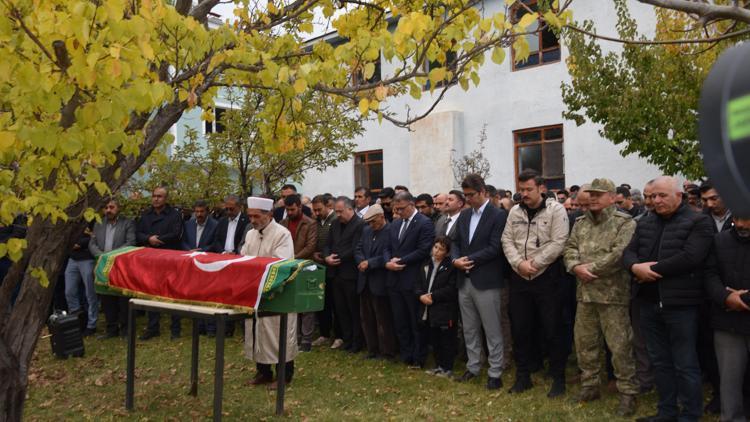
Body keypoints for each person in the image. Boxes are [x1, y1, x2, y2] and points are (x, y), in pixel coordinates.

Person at [623, 176, 714, 422]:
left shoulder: (699, 221)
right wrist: (634, 268)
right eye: (652, 196)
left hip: (682, 304)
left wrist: (651, 270)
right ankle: (667, 412)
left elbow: (691, 257)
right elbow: (629, 252)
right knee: (660, 362)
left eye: (662, 195)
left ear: (679, 196)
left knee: (685, 363)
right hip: (648, 302)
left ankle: (690, 414)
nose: (656, 200)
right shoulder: (646, 222)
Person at [563, 179, 638, 416]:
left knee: (620, 346)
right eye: (591, 194)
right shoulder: (580, 222)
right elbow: (569, 248)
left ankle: (627, 392)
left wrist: (589, 270)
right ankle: (590, 386)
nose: (593, 198)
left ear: (613, 197)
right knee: (585, 344)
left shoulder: (624, 223)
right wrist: (575, 267)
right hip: (585, 295)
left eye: (599, 194)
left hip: (612, 295)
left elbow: (619, 254)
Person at [501, 169, 569, 398]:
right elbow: (506, 240)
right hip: (519, 277)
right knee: (521, 329)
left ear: (541, 188)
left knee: (552, 329)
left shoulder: (556, 210)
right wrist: (518, 263)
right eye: (521, 189)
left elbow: (559, 242)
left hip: (547, 277)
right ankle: (523, 377)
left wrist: (536, 263)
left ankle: (558, 378)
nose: (524, 194)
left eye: (528, 189)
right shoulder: (514, 212)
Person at [451, 173, 508, 390]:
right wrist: (456, 259)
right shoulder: (464, 216)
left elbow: (495, 248)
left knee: (492, 328)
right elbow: (454, 241)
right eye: (464, 195)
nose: (467, 199)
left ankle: (495, 371)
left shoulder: (497, 216)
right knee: (469, 328)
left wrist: (469, 259)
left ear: (483, 192)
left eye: (471, 195)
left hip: (486, 280)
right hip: (464, 280)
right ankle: (473, 366)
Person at [242, 196, 298, 389]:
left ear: (269, 214)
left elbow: (281, 263)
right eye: (250, 216)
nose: (252, 220)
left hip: (277, 292)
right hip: (254, 292)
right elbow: (244, 258)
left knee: (278, 333)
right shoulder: (250, 234)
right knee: (258, 331)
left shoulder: (282, 234)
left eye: (256, 216)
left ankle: (284, 375)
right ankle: (263, 372)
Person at [704, 216, 750, 422]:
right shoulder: (719, 240)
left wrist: (743, 299)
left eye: (747, 219)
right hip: (727, 320)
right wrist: (726, 297)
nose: (741, 224)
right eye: (738, 218)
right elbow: (709, 274)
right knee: (729, 379)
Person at [386, 192, 434, 367]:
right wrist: (387, 262)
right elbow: (387, 247)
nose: (398, 212)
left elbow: (423, 250)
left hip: (412, 279)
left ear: (411, 205)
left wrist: (401, 261)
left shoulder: (424, 223)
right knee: (400, 320)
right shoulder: (395, 224)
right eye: (396, 209)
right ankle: (405, 354)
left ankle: (419, 357)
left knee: (416, 321)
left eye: (401, 208)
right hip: (394, 279)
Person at [135, 186, 184, 340]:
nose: (156, 199)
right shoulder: (145, 215)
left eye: (160, 196)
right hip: (151, 258)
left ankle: (175, 329)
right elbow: (138, 233)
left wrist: (159, 239)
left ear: (166, 198)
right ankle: (152, 327)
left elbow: (176, 233)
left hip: (169, 256)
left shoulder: (175, 215)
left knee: (172, 293)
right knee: (151, 292)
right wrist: (148, 239)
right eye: (154, 196)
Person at [354, 204, 397, 359]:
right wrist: (361, 261)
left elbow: (388, 254)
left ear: (381, 217)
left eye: (373, 221)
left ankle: (387, 351)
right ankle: (372, 349)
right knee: (366, 318)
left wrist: (370, 263)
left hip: (380, 280)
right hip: (364, 280)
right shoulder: (366, 231)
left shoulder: (391, 231)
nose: (371, 225)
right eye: (369, 222)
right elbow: (358, 249)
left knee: (383, 319)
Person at [89, 198, 136, 339]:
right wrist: (102, 256)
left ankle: (126, 330)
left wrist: (112, 256)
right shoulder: (98, 223)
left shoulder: (128, 223)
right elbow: (92, 243)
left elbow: (130, 242)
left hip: (121, 266)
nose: (108, 210)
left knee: (123, 298)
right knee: (107, 298)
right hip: (103, 265)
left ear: (118, 208)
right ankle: (111, 329)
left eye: (111, 207)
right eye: (106, 207)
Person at [324, 196, 366, 352]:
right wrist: (327, 256)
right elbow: (327, 244)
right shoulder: (335, 223)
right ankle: (347, 339)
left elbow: (356, 248)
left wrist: (337, 257)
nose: (338, 214)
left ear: (350, 209)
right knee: (341, 310)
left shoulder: (360, 224)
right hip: (335, 274)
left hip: (350, 274)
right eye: (336, 211)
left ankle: (357, 341)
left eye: (340, 211)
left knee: (353, 310)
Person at [416, 236, 458, 378]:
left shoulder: (450, 267)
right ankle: (439, 366)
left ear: (447, 253)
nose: (437, 251)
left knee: (446, 339)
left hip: (444, 309)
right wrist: (421, 295)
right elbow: (418, 284)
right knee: (434, 339)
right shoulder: (426, 264)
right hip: (428, 309)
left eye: (441, 249)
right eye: (435, 247)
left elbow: (451, 288)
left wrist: (433, 296)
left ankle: (447, 368)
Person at [280, 194, 318, 352]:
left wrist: (293, 258)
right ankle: (294, 337)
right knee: (291, 304)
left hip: (305, 267)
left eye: (292, 209)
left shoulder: (310, 224)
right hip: (288, 268)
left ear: (300, 207)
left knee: (307, 305)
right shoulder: (283, 223)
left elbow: (311, 246)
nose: (289, 212)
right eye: (287, 210)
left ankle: (307, 340)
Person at [310, 194, 342, 348]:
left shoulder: (335, 220)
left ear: (328, 205)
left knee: (336, 304)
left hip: (334, 267)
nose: (316, 213)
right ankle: (324, 333)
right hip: (318, 267)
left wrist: (325, 255)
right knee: (322, 303)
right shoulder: (315, 222)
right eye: (314, 210)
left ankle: (339, 335)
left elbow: (336, 242)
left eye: (319, 209)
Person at [64, 222, 98, 336]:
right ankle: (77, 320)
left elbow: (95, 237)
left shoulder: (94, 219)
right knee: (69, 291)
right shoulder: (72, 218)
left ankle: (91, 324)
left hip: (88, 259)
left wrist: (80, 244)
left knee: (90, 293)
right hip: (73, 259)